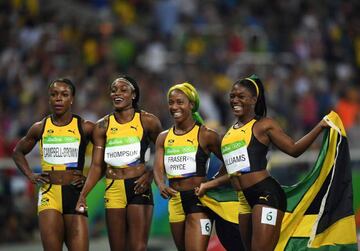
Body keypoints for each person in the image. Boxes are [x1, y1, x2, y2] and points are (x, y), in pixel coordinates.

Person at [221, 75, 329, 251]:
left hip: (266, 194)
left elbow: (294, 150)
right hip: (243, 200)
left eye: (241, 96)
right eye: (232, 96)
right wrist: (205, 186)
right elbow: (227, 172)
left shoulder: (264, 125)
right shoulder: (228, 134)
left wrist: (320, 126)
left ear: (254, 100)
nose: (235, 100)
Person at [75, 76, 162, 251]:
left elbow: (165, 151)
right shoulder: (102, 126)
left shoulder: (148, 121)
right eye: (114, 90)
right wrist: (83, 194)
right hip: (114, 188)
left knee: (137, 248)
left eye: (123, 90)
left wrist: (151, 174)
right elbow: (97, 166)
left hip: (139, 186)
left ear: (134, 94)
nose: (117, 93)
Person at [12, 78, 94, 251]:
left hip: (74, 193)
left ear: (72, 99)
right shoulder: (40, 127)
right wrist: (30, 174)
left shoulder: (84, 127)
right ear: (49, 98)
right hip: (49, 194)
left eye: (64, 95)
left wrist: (90, 178)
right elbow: (17, 152)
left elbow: (106, 153)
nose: (58, 98)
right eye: (54, 94)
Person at [153, 82, 224, 251]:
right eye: (171, 102)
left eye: (180, 102)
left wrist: (211, 183)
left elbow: (231, 164)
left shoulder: (206, 135)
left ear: (191, 105)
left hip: (198, 200)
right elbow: (157, 168)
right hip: (175, 201)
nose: (174, 106)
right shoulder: (163, 137)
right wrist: (161, 184)